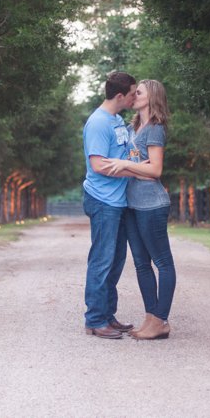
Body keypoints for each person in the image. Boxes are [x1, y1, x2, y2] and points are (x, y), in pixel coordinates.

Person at [100, 79, 174, 341]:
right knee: (142, 264)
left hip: (151, 205)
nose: (133, 95)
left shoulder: (154, 129)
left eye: (138, 92)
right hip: (132, 203)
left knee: (162, 262)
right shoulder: (134, 127)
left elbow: (155, 170)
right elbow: (138, 167)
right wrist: (133, 167)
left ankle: (161, 320)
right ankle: (151, 319)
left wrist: (125, 165)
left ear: (151, 97)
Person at [81, 70, 138, 339]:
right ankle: (94, 319)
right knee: (102, 260)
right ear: (119, 95)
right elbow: (98, 164)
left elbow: (123, 154)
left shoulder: (117, 119)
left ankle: (107, 314)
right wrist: (137, 171)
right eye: (132, 94)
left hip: (118, 201)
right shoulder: (98, 123)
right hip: (103, 200)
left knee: (115, 261)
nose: (134, 97)